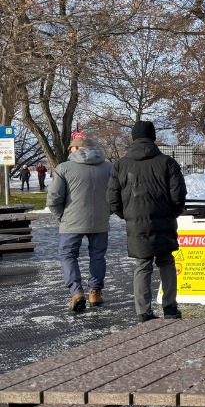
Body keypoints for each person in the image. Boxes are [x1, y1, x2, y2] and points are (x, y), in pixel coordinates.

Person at [108, 121, 187, 322]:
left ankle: (143, 311)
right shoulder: (167, 162)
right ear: (153, 137)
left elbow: (112, 197)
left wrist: (127, 215)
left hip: (137, 223)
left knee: (142, 265)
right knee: (166, 261)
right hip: (164, 219)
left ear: (134, 138)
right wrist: (173, 212)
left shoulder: (120, 164)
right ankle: (170, 308)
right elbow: (178, 194)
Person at [46, 135, 113, 313]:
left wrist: (61, 216)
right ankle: (95, 292)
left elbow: (54, 197)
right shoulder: (109, 168)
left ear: (75, 149)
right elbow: (117, 195)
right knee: (98, 255)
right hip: (100, 221)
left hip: (71, 221)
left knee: (68, 254)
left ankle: (76, 292)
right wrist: (107, 212)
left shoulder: (64, 168)